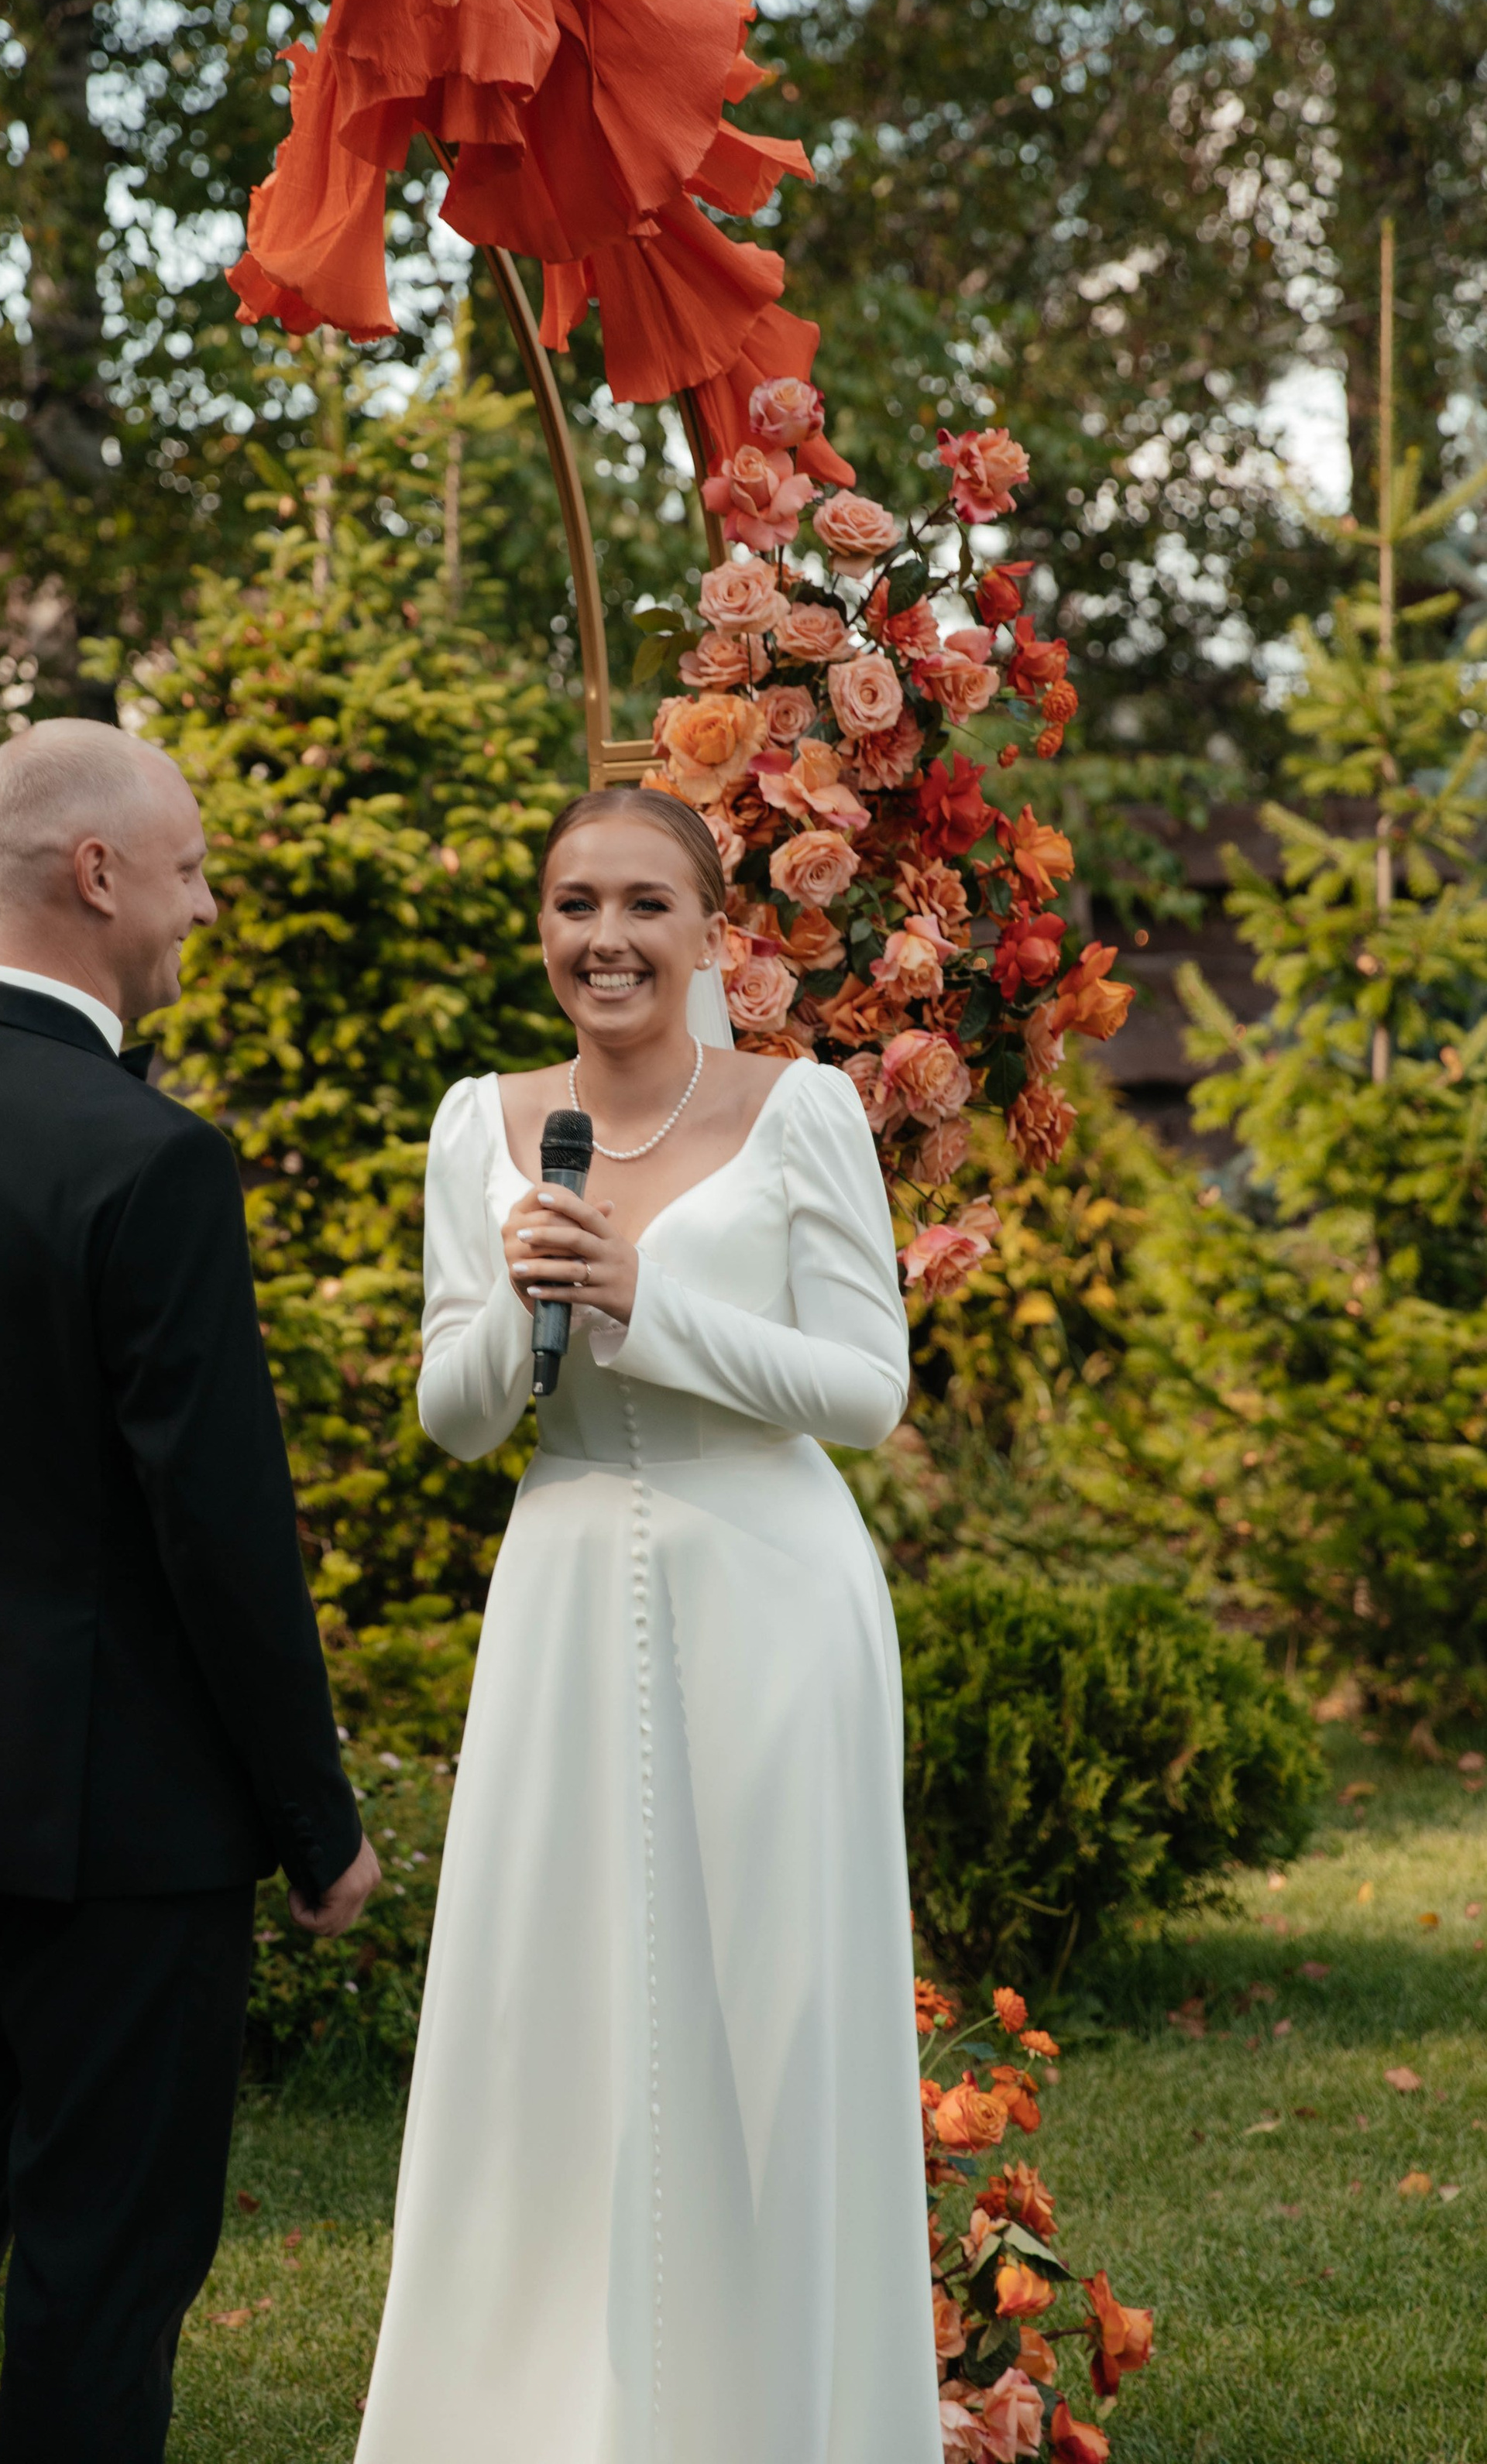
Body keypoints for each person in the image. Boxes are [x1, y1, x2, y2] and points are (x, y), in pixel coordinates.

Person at [0, 718, 378, 2464]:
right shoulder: (152, 1160)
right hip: (128, 1831)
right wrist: (311, 1818)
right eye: (187, 868)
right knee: (105, 2273)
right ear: (98, 873)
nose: (200, 905)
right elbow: (219, 1528)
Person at [354, 786, 941, 2464]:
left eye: (640, 906)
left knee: (767, 2012)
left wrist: (649, 1299)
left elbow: (864, 1390)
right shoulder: (480, 1121)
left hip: (770, 1595)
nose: (600, 938)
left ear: (711, 933)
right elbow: (457, 1415)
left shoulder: (801, 1111)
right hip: (557, 1600)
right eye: (569, 904)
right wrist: (526, 1302)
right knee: (552, 2025)